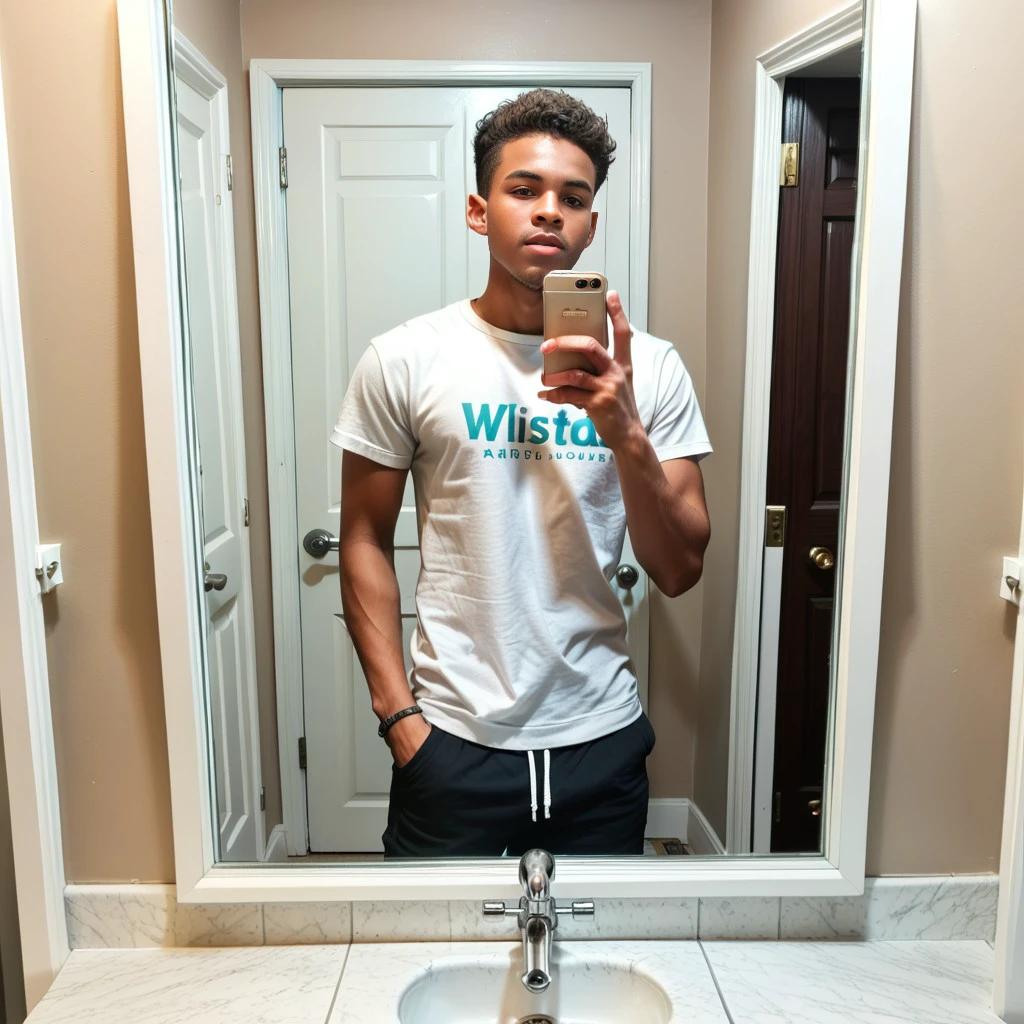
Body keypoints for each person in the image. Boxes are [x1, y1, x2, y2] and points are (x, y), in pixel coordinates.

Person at [331, 88, 712, 858]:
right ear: (479, 212)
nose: (549, 212)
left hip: (601, 740)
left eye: (572, 198)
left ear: (590, 224)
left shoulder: (652, 368)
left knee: (601, 940)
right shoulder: (404, 359)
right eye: (524, 190)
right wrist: (399, 718)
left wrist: (626, 432)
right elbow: (363, 537)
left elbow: (678, 570)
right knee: (433, 935)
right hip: (450, 740)